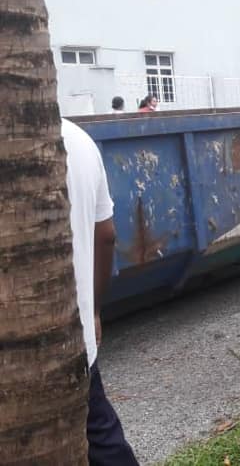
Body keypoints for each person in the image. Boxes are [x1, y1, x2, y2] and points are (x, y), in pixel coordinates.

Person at [61, 119, 139, 465]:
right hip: (74, 336)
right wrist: (92, 309)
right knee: (102, 439)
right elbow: (105, 235)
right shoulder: (78, 139)